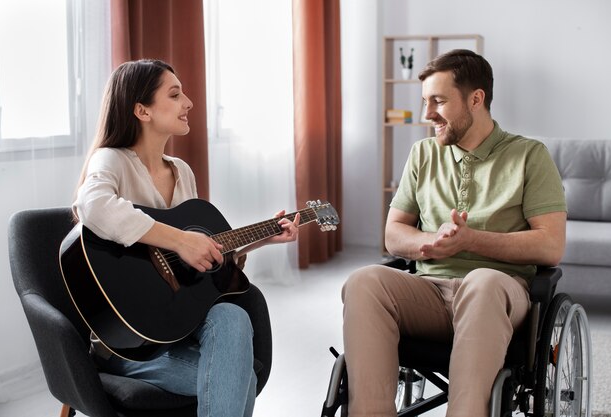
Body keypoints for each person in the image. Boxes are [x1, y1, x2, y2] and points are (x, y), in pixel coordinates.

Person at [341, 49, 567, 417]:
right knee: (364, 281)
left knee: (483, 282)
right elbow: (394, 234)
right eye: (425, 102)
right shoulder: (422, 154)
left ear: (476, 99)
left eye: (438, 101)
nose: (427, 114)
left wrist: (471, 240)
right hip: (430, 291)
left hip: (500, 291)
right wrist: (429, 243)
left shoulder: (529, 155)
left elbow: (550, 245)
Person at [73, 58, 300, 417]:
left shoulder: (182, 172)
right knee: (241, 380)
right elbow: (93, 204)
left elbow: (202, 263)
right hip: (129, 344)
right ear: (141, 110)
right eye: (175, 95)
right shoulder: (111, 160)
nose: (189, 103)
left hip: (178, 327)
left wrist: (263, 239)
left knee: (231, 316)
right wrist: (179, 240)